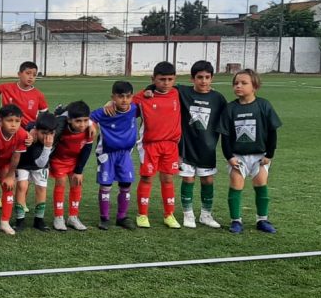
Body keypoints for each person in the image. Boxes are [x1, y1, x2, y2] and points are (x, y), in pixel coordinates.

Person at [218, 69, 282, 234]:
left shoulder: (263, 105)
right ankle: (236, 221)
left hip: (260, 156)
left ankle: (262, 219)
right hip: (238, 156)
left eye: (243, 83)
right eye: (236, 83)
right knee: (236, 184)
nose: (238, 86)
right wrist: (229, 157)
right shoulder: (230, 108)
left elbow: (272, 132)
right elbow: (224, 136)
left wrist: (269, 155)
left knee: (261, 184)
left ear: (255, 86)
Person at [175, 60, 228, 229]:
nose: (203, 81)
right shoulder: (182, 92)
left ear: (212, 78)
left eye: (207, 77)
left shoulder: (218, 98)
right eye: (199, 77)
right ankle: (188, 214)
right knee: (188, 179)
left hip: (207, 147)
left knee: (207, 179)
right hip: (186, 146)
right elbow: (158, 87)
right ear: (192, 79)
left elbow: (226, 120)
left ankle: (206, 214)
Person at [133, 61, 182, 229]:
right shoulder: (142, 97)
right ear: (153, 79)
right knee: (147, 177)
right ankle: (142, 214)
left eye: (170, 79)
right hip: (149, 145)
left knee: (168, 178)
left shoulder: (177, 93)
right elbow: (124, 104)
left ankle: (169, 214)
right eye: (162, 79)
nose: (166, 83)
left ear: (175, 79)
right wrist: (109, 105)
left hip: (171, 145)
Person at [91, 81, 139, 230]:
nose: (124, 100)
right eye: (120, 97)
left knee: (126, 184)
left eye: (128, 96)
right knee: (106, 185)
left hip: (125, 154)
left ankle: (122, 217)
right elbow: (90, 118)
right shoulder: (106, 111)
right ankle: (104, 218)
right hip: (107, 153)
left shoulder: (135, 109)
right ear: (113, 97)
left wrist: (149, 92)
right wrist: (92, 127)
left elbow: (149, 97)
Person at [49, 101, 95, 231]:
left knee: (77, 183)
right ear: (69, 120)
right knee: (61, 183)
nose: (82, 125)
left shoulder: (89, 130)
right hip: (58, 160)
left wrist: (79, 171)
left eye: (86, 120)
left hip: (75, 161)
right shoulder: (61, 127)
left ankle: (73, 217)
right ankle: (58, 217)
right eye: (78, 121)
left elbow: (86, 150)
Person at [0, 104, 29, 235]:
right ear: (0, 121)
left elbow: (16, 156)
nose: (13, 125)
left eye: (17, 121)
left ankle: (5, 222)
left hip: (5, 162)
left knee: (8, 185)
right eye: (9, 121)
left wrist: (10, 176)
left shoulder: (21, 134)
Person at [13, 112, 58, 232]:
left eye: (51, 134)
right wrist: (31, 129)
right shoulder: (30, 132)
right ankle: (19, 220)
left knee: (41, 189)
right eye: (43, 133)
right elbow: (30, 124)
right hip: (24, 163)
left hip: (41, 164)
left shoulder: (51, 137)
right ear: (37, 130)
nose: (47, 137)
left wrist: (48, 147)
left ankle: (39, 220)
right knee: (22, 186)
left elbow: (41, 164)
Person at [0, 61, 49, 126]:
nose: (31, 77)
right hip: (7, 128)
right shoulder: (7, 88)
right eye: (28, 73)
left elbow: (44, 114)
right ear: (19, 74)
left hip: (28, 130)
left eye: (34, 75)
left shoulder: (38, 95)